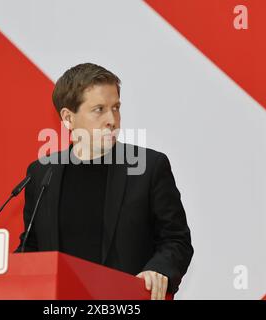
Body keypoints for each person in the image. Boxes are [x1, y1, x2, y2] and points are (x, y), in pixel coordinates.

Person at [15, 63, 193, 300]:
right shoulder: (42, 173)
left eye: (116, 108)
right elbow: (31, 247)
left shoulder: (149, 167)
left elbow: (176, 240)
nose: (112, 119)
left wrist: (157, 270)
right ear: (68, 118)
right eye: (99, 109)